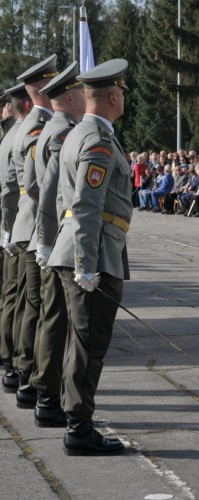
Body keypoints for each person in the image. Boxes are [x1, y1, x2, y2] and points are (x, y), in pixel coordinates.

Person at [47, 58, 132, 455]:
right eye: (123, 92)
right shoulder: (97, 140)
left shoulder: (80, 134)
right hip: (93, 255)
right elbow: (84, 207)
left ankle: (75, 419)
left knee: (78, 342)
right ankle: (79, 429)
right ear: (113, 96)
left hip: (85, 251)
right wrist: (86, 265)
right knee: (88, 344)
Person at [29, 61, 85, 427]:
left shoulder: (53, 128)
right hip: (56, 236)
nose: (86, 97)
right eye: (80, 91)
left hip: (47, 234)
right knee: (55, 319)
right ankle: (47, 396)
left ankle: (47, 393)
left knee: (52, 317)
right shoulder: (62, 132)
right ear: (69, 95)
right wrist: (48, 240)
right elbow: (47, 192)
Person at [3, 54, 57, 405]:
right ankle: (25, 373)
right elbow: (38, 187)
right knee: (35, 305)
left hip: (19, 224)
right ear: (40, 89)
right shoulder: (36, 127)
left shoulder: (17, 130)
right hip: (34, 224)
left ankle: (16, 367)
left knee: (20, 299)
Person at [0, 82, 28, 394]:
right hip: (15, 227)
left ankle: (9, 359)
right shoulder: (18, 136)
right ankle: (11, 361)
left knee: (11, 295)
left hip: (10, 226)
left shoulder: (9, 135)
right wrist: (8, 230)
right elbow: (10, 190)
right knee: (16, 297)